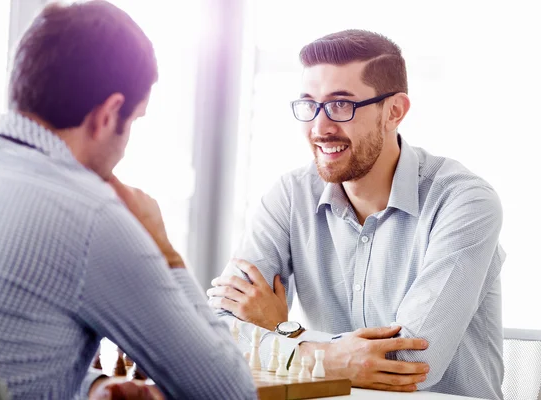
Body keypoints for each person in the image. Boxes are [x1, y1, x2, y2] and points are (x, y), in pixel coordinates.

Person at [0, 1, 256, 399]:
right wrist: (164, 250)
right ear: (109, 114)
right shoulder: (90, 214)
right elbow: (227, 391)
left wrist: (91, 384)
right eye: (135, 124)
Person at [208, 29, 505, 399]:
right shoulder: (290, 195)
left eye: (340, 105)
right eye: (309, 105)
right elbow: (216, 328)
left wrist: (287, 332)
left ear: (393, 111)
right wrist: (325, 353)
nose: (319, 128)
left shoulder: (464, 201)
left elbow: (407, 361)